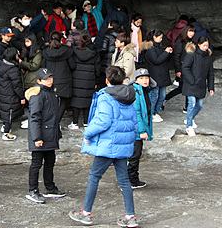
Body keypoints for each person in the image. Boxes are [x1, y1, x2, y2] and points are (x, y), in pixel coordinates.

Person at [68, 66, 139, 228]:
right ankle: (131, 216)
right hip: (122, 146)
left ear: (107, 81)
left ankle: (86, 213)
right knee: (124, 181)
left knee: (94, 177)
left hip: (108, 145)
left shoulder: (105, 96)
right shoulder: (129, 96)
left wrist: (88, 134)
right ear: (122, 80)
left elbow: (103, 121)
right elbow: (134, 124)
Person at [25, 68, 66, 203]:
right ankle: (33, 190)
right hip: (41, 135)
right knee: (36, 163)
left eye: (50, 78)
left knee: (50, 161)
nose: (49, 81)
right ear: (39, 81)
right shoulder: (38, 95)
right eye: (46, 79)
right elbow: (34, 118)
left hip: (50, 133)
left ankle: (50, 187)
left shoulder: (51, 92)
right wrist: (36, 138)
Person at [182, 36, 215, 136]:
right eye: (204, 45)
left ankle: (190, 118)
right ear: (199, 45)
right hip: (191, 84)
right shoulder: (191, 55)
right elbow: (185, 67)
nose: (206, 48)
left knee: (199, 105)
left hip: (201, 85)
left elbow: (210, 73)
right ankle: (189, 126)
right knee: (191, 103)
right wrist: (192, 80)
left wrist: (211, 87)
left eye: (207, 46)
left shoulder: (208, 57)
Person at [127, 68, 154, 189]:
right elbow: (137, 113)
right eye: (141, 78)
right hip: (135, 130)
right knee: (133, 156)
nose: (145, 80)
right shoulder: (136, 91)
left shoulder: (144, 91)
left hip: (136, 129)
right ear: (136, 80)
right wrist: (142, 131)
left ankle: (133, 179)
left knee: (136, 155)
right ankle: (129, 181)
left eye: (146, 78)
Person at [42, 31, 75, 124]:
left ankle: (51, 122)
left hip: (50, 80)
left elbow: (43, 66)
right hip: (64, 79)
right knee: (63, 102)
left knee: (50, 101)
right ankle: (56, 122)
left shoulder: (46, 52)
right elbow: (72, 65)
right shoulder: (67, 51)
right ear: (61, 39)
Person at [70, 30, 101, 130]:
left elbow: (72, 64)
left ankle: (74, 122)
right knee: (87, 100)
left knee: (76, 98)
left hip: (76, 76)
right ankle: (86, 122)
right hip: (90, 77)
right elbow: (97, 67)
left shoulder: (75, 50)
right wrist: (96, 80)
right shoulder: (95, 51)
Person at [143, 30, 173, 122]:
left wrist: (168, 53)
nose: (161, 39)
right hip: (155, 75)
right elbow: (156, 60)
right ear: (154, 37)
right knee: (154, 95)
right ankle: (151, 114)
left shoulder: (159, 47)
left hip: (162, 74)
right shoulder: (150, 49)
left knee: (162, 96)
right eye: (160, 37)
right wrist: (166, 53)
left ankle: (155, 112)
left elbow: (164, 59)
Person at [0, 47, 26, 140]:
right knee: (9, 113)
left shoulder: (2, 64)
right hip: (10, 95)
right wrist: (22, 97)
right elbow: (17, 85)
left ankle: (4, 126)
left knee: (5, 112)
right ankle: (6, 133)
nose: (18, 56)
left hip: (3, 93)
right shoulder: (13, 70)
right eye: (17, 55)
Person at [165, 24, 196, 112]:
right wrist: (178, 70)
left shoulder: (193, 41)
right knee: (182, 88)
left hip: (191, 68)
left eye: (193, 31)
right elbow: (176, 56)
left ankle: (186, 106)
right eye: (190, 31)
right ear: (186, 31)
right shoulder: (180, 41)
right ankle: (166, 98)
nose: (191, 33)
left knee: (189, 86)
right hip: (183, 67)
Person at [0, 27, 15, 112]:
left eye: (10, 36)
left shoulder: (10, 45)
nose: (9, 38)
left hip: (8, 71)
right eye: (7, 36)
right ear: (2, 36)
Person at [99, 20, 122, 88]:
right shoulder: (121, 36)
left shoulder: (107, 35)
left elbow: (104, 49)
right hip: (116, 60)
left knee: (103, 82)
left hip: (106, 61)